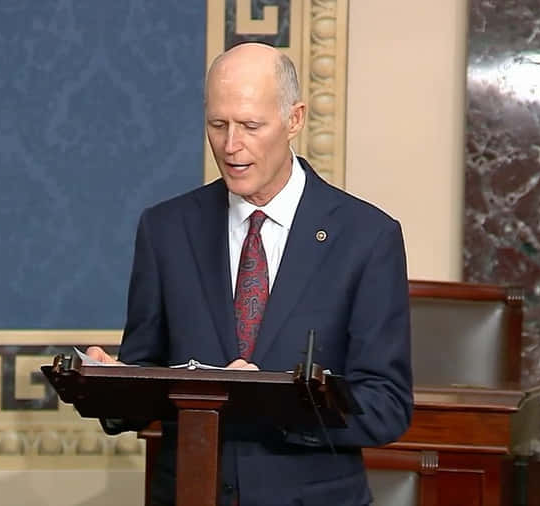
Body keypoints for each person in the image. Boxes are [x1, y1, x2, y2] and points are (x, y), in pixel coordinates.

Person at [87, 42, 413, 506]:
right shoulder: (166, 229)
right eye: (217, 125)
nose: (230, 145)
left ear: (294, 119)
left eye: (250, 126)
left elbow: (386, 406)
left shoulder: (366, 237)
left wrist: (270, 401)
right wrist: (114, 385)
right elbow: (148, 368)